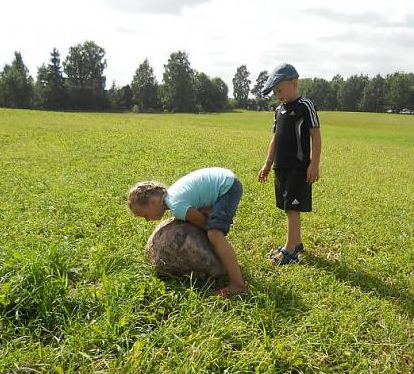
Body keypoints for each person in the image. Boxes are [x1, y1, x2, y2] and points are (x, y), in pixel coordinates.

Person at [128, 167, 246, 296]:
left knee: (214, 234)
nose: (147, 220)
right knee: (212, 227)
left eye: (145, 215)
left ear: (153, 202)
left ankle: (237, 284)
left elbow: (203, 224)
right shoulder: (172, 196)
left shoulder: (176, 205)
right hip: (225, 180)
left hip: (227, 188)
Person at [257, 63, 322, 264]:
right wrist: (267, 164)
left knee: (292, 208)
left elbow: (316, 135)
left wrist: (314, 164)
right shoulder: (278, 110)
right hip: (281, 166)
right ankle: (297, 243)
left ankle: (290, 249)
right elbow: (275, 139)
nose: (277, 95)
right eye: (274, 92)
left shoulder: (305, 106)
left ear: (294, 83)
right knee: (287, 207)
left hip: (298, 166)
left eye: (280, 89)